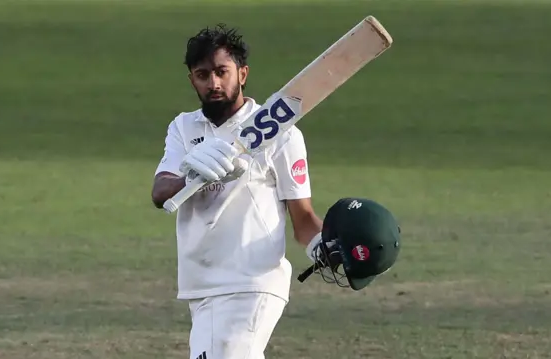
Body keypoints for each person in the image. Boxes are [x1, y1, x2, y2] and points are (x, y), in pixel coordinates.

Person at [151, 24, 401, 359]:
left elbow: (302, 218)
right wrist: (190, 176)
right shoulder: (183, 127)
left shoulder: (281, 135)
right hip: (201, 286)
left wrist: (321, 247)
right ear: (192, 79)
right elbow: (160, 192)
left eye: (222, 72)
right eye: (203, 74)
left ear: (242, 73)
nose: (213, 83)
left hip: (250, 283)